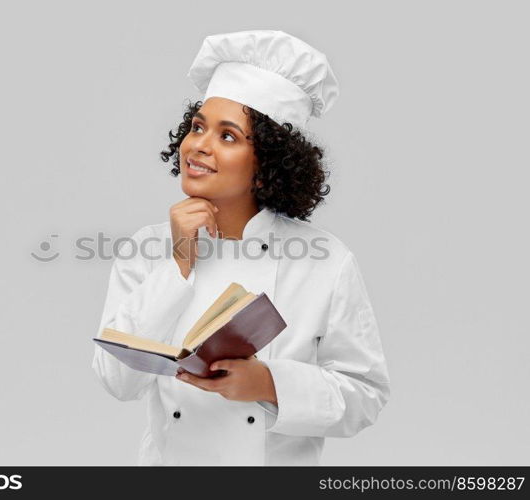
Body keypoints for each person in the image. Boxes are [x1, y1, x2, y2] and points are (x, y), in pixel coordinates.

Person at [92, 30, 391, 465]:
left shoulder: (326, 261)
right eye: (198, 127)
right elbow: (117, 380)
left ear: (268, 162)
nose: (198, 145)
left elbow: (366, 395)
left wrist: (269, 384)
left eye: (228, 136)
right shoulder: (146, 248)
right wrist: (177, 264)